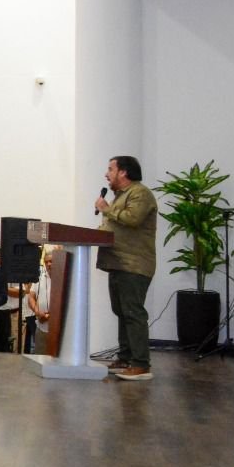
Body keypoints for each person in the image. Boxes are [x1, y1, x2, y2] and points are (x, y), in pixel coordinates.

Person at [95, 155, 159, 381]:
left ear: (123, 172)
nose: (106, 174)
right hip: (118, 263)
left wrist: (106, 209)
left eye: (110, 169)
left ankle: (141, 364)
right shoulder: (121, 196)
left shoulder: (140, 193)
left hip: (134, 264)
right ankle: (125, 358)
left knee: (132, 312)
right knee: (121, 312)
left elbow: (133, 219)